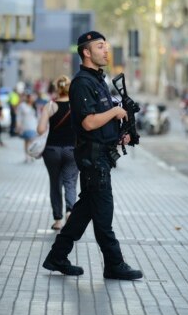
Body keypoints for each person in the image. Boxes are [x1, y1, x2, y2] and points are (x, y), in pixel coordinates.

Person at [42, 30, 143, 280]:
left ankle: (57, 256)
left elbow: (101, 121)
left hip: (101, 156)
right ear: (86, 52)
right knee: (103, 214)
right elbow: (88, 122)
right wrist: (116, 113)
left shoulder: (98, 80)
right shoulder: (82, 83)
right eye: (100, 47)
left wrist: (120, 134)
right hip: (92, 159)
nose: (105, 50)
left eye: (106, 46)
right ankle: (114, 264)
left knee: (82, 212)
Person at [37, 75, 78, 230]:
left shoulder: (50, 106)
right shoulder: (76, 106)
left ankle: (58, 220)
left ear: (57, 88)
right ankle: (70, 210)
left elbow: (40, 129)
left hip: (52, 150)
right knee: (70, 181)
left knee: (55, 183)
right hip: (71, 150)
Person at [16, 91, 38, 163]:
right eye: (31, 97)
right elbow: (18, 116)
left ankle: (30, 155)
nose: (32, 99)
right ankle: (27, 156)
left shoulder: (34, 106)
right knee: (27, 141)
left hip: (33, 126)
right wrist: (18, 125)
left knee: (31, 141)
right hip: (25, 126)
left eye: (33, 97)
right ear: (28, 98)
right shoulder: (22, 105)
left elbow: (37, 117)